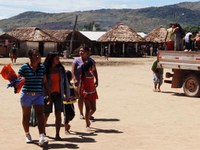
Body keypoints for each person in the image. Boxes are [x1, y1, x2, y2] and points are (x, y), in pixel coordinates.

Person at [18, 49, 48, 146]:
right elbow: (17, 81)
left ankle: (42, 136)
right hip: (26, 95)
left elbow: (45, 82)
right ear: (30, 57)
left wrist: (48, 93)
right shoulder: (24, 68)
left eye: (39, 55)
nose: (38, 57)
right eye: (36, 55)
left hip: (38, 95)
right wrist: (18, 81)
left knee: (40, 115)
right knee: (26, 116)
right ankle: (27, 134)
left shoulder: (42, 68)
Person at [43, 51, 70, 140]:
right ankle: (43, 131)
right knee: (46, 114)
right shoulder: (45, 69)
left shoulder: (61, 69)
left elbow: (65, 82)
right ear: (51, 59)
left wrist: (67, 94)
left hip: (58, 94)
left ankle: (57, 134)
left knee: (58, 115)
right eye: (56, 58)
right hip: (48, 95)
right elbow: (43, 83)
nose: (58, 60)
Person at [71, 46, 98, 119]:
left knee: (89, 99)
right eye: (80, 51)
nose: (80, 52)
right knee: (80, 98)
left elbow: (95, 71)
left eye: (82, 51)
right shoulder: (76, 60)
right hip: (79, 82)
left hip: (89, 82)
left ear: (87, 53)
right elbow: (73, 70)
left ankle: (88, 114)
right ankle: (81, 113)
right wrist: (74, 79)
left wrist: (97, 80)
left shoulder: (91, 61)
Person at [80, 59, 98, 130]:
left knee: (93, 108)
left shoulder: (91, 72)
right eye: (93, 66)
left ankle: (87, 117)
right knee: (88, 108)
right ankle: (87, 123)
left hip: (93, 92)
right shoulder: (83, 74)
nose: (94, 67)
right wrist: (80, 94)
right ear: (89, 67)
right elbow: (80, 84)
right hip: (85, 93)